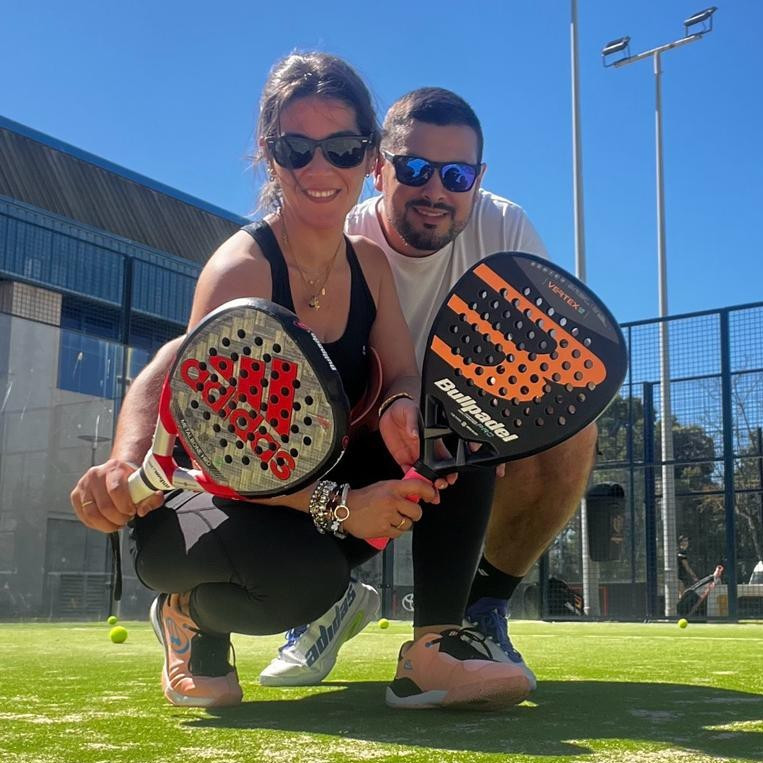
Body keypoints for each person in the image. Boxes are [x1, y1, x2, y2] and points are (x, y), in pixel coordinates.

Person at [71, 55, 529, 710]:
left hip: (301, 489)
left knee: (451, 429)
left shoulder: (367, 263)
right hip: (199, 503)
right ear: (269, 155)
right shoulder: (240, 270)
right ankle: (188, 615)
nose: (319, 169)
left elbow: (402, 371)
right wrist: (344, 506)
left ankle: (434, 647)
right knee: (307, 586)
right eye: (296, 149)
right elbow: (222, 453)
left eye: (340, 149)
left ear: (367, 158)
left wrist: (402, 406)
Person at [259, 87, 598, 702]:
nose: (436, 190)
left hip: (458, 421)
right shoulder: (338, 234)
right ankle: (321, 597)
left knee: (567, 428)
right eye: (415, 169)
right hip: (353, 427)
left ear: (478, 179)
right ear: (378, 168)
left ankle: (478, 612)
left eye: (457, 175)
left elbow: (549, 360)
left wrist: (503, 421)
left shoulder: (505, 227)